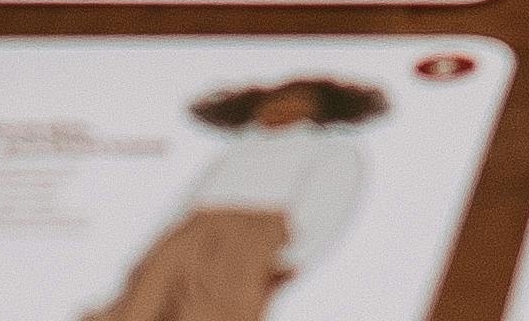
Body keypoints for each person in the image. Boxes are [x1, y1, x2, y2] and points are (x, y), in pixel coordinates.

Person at [88, 76, 386, 321]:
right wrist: (173, 233)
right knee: (148, 296)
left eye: (297, 100)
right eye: (275, 99)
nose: (281, 106)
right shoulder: (241, 148)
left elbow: (327, 204)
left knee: (217, 307)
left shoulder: (329, 149)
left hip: (251, 236)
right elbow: (193, 196)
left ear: (319, 110)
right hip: (193, 229)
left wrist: (295, 256)